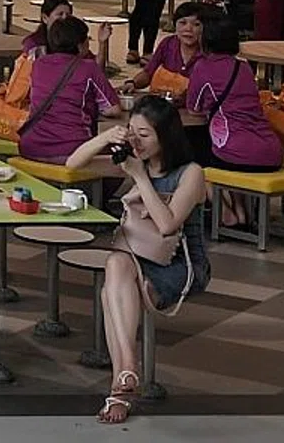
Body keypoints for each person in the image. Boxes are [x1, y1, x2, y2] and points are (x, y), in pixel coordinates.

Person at [67, 97, 208, 424]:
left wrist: (140, 178)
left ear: (165, 136)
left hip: (178, 264)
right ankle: (127, 371)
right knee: (116, 266)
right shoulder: (131, 158)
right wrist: (105, 138)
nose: (136, 141)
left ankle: (122, 385)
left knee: (111, 291)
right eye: (132, 132)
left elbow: (168, 224)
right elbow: (73, 165)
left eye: (144, 135)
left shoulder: (191, 173)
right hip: (134, 255)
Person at [185, 14, 283, 175]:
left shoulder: (203, 66)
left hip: (233, 152)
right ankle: (240, 202)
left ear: (206, 40)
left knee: (194, 155)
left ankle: (221, 201)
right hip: (273, 152)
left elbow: (194, 109)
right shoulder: (243, 67)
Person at [19, 16, 122, 164]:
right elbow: (113, 110)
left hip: (30, 146)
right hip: (72, 150)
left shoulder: (38, 64)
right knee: (121, 153)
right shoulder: (88, 67)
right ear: (80, 45)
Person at [130, 2, 207, 92]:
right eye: (183, 23)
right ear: (175, 26)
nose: (188, 29)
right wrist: (132, 83)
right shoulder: (168, 43)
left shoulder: (209, 52)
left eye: (196, 24)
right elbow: (148, 73)